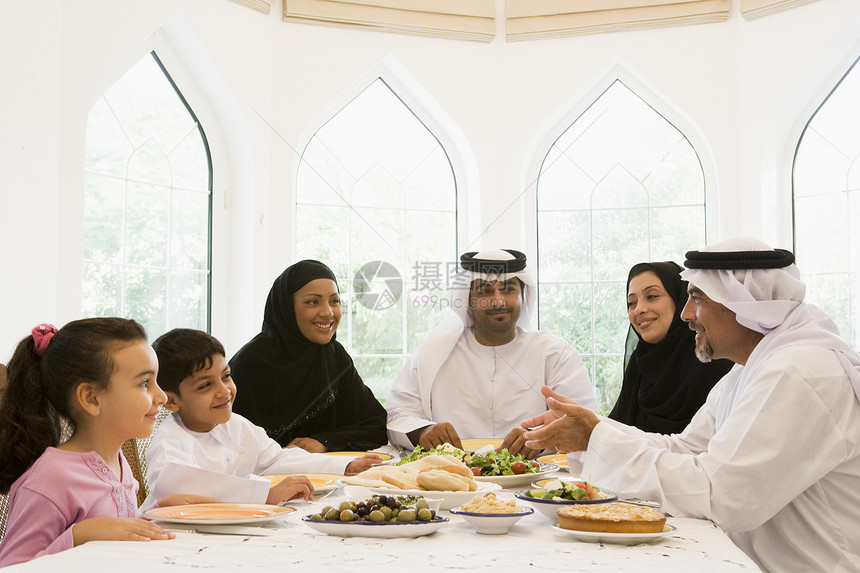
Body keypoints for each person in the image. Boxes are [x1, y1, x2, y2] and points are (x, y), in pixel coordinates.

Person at [521, 238, 860, 572]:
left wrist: (594, 437)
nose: (686, 314)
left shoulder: (798, 370)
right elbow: (687, 448)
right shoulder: (747, 370)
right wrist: (590, 429)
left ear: (742, 302)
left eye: (696, 299)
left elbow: (724, 496)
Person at [0, 318, 211, 567]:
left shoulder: (117, 462)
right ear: (91, 398)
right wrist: (78, 536)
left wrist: (157, 513)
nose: (162, 396)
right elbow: (12, 565)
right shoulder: (50, 479)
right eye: (145, 383)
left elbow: (113, 532)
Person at [386, 248, 596, 458]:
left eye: (508, 289)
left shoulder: (556, 355)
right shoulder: (433, 353)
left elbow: (584, 424)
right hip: (454, 481)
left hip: (539, 482)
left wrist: (539, 437)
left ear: (523, 295)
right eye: (485, 291)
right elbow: (397, 415)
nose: (498, 301)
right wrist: (423, 430)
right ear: (468, 300)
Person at [145, 328, 381, 507]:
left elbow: (276, 460)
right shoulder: (170, 442)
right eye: (206, 385)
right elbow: (178, 486)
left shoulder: (236, 425)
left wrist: (345, 466)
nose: (224, 391)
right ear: (171, 400)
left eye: (226, 376)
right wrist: (264, 494)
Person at [229, 260, 388, 451]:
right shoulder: (252, 362)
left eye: (334, 301)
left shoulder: (333, 355)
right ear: (286, 307)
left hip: (328, 475)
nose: (328, 312)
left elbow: (375, 425)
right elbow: (230, 443)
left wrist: (323, 442)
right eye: (312, 302)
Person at [609, 261, 733, 433]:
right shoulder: (640, 365)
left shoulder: (712, 357)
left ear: (680, 299)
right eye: (631, 303)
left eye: (652, 296)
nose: (639, 310)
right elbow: (615, 430)